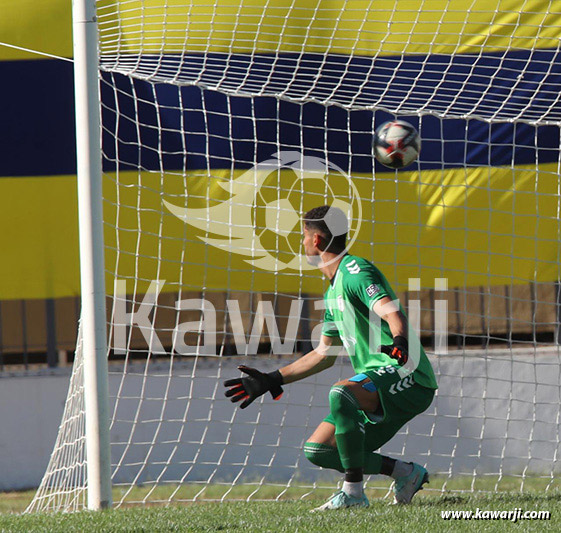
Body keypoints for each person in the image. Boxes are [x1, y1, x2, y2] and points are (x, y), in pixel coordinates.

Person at [224, 205, 438, 510]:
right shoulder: (333, 290)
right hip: (376, 384)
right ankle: (405, 472)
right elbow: (324, 354)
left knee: (341, 393)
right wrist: (273, 379)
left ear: (317, 242)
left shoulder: (355, 272)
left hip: (407, 373)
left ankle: (353, 495)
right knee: (319, 450)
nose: (301, 243)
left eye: (303, 236)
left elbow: (391, 311)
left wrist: (400, 340)